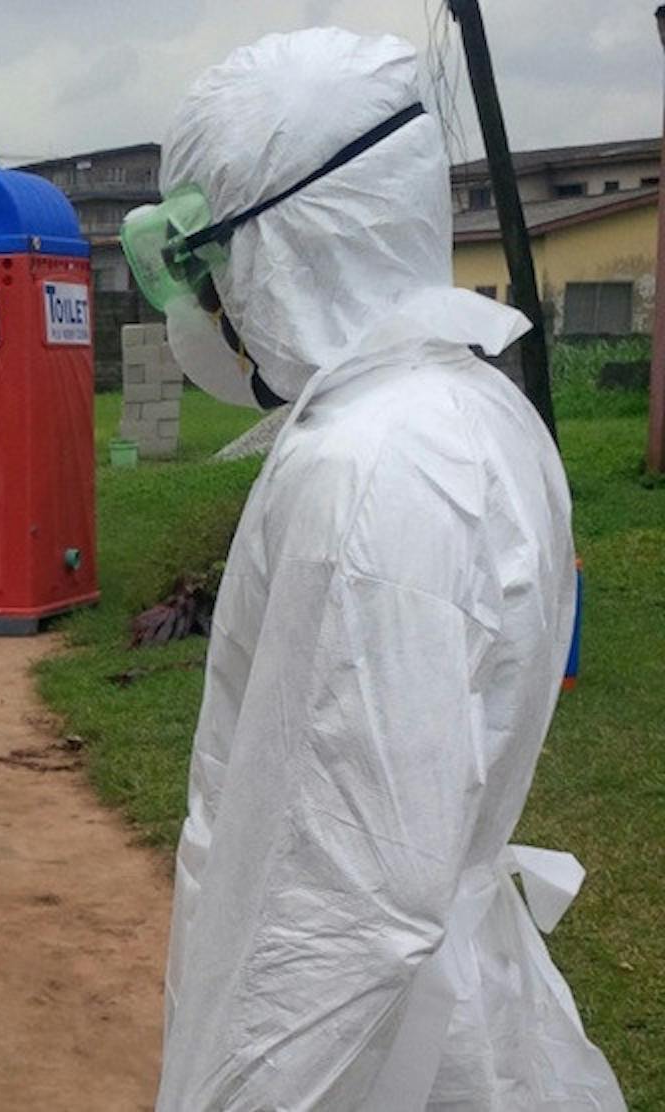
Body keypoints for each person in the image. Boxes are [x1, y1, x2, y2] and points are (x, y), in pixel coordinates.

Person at [121, 29, 626, 1110]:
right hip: (435, 1019)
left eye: (205, 264)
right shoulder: (462, 403)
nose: (199, 308)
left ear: (280, 247)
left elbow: (340, 905)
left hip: (375, 1062)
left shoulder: (368, 470)